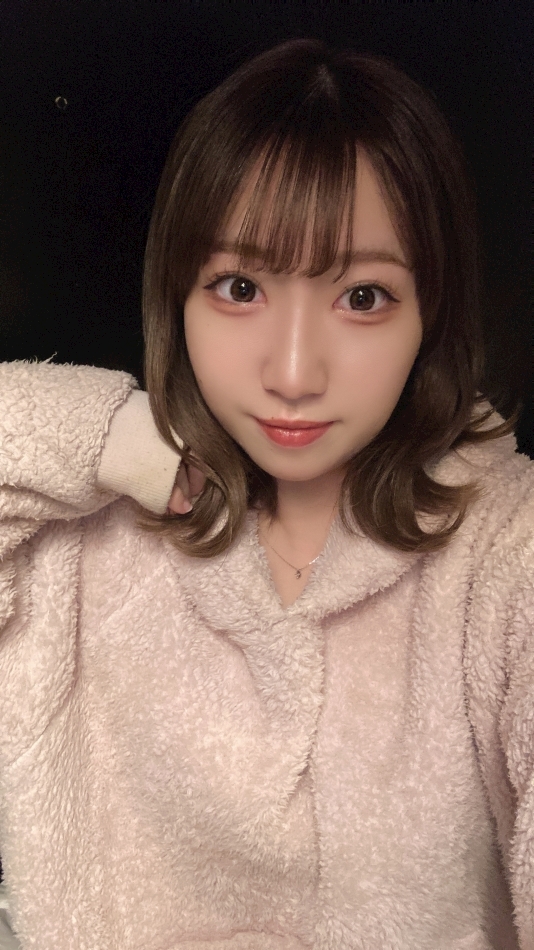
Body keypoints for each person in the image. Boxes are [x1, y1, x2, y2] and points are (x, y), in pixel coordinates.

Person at [0, 38, 532, 950]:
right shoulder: (85, 542)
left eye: (363, 297)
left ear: (431, 314)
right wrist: (118, 439)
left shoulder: (502, 553)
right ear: (177, 295)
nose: (292, 373)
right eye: (240, 286)